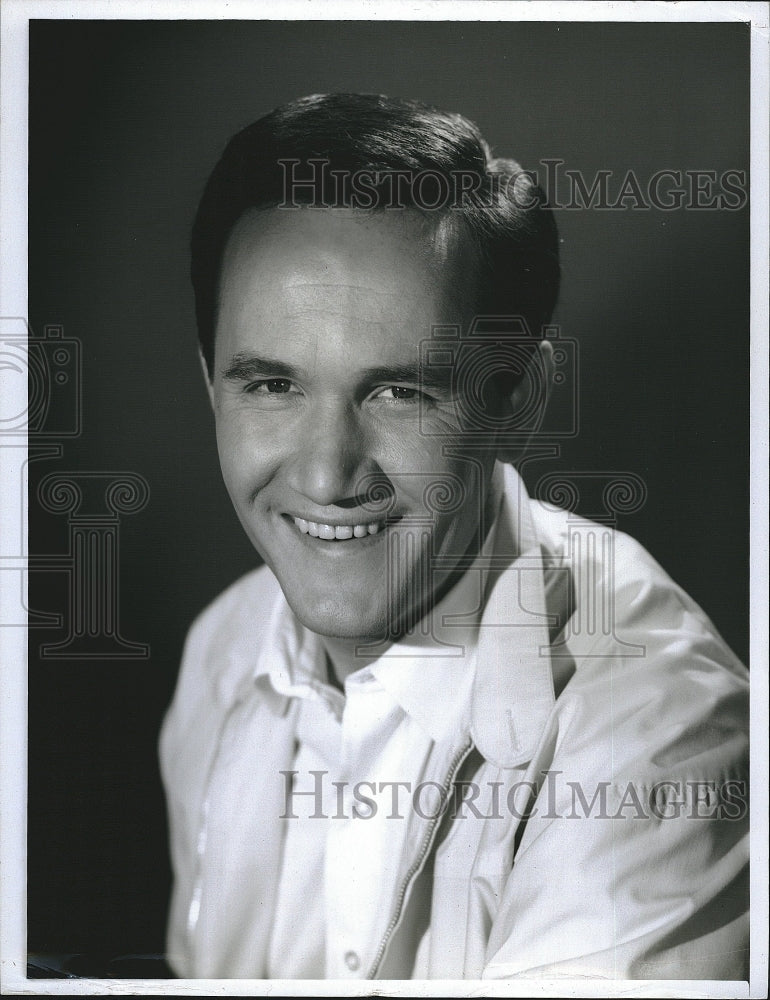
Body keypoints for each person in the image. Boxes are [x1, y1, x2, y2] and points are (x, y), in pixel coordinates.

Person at [159, 93, 749, 980]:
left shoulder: (661, 739)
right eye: (271, 386)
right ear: (211, 383)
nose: (326, 476)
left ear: (516, 398)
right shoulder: (224, 649)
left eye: (401, 392)